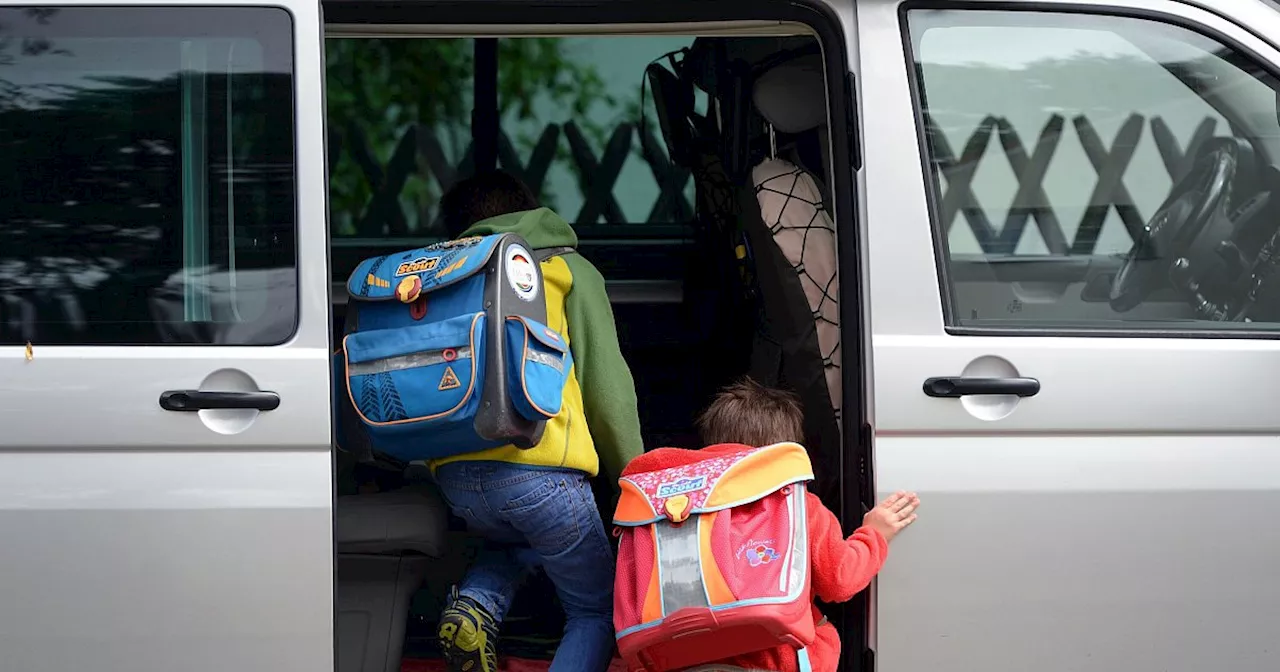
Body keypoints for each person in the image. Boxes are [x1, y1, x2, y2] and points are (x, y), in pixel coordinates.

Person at [429, 170, 644, 672]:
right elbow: (607, 388)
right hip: (542, 472)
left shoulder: (442, 274)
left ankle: (474, 607)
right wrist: (637, 478)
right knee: (595, 609)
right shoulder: (565, 269)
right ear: (529, 211)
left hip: (458, 478)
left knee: (514, 544)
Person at [621, 377, 919, 672]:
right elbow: (839, 580)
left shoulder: (669, 510)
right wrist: (873, 534)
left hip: (683, 661)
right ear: (782, 452)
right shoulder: (796, 504)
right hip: (777, 661)